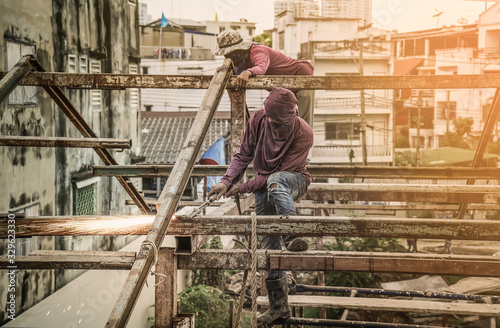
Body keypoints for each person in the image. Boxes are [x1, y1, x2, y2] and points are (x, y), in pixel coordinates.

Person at [208, 88, 314, 324]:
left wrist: (243, 187)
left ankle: (291, 233)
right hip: (263, 185)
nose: (272, 124)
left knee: (277, 181)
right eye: (270, 119)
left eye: (277, 121)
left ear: (291, 116)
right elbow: (243, 154)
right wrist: (226, 182)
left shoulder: (304, 133)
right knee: (268, 246)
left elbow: (275, 175)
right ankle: (279, 307)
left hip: (293, 180)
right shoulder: (258, 119)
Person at [215, 29, 315, 128]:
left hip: (301, 75)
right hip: (282, 87)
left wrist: (248, 72)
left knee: (305, 118)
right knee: (280, 119)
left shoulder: (258, 51)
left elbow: (261, 68)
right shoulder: (241, 61)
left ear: (238, 50)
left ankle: (305, 139)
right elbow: (235, 75)